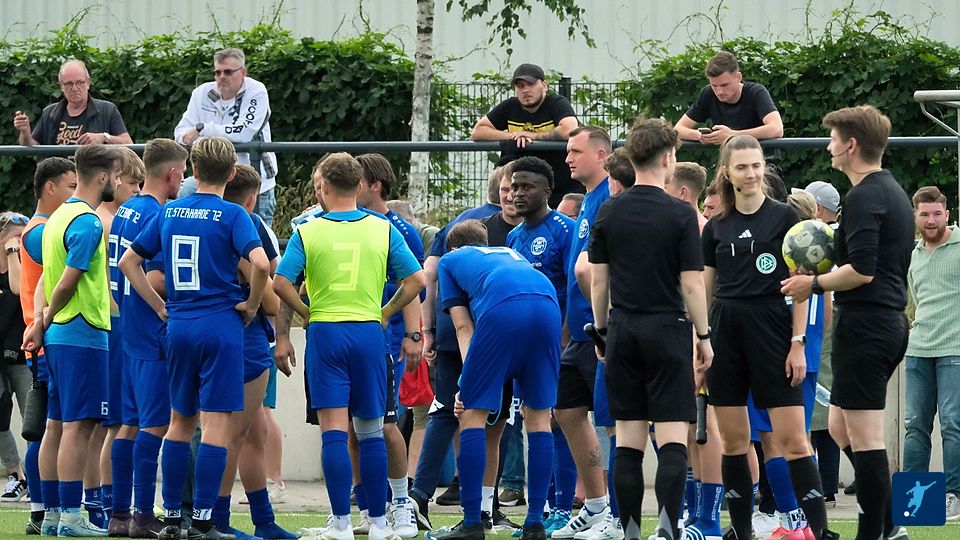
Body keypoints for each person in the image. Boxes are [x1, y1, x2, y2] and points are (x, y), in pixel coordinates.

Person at [119, 136, 271, 540]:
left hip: (179, 326)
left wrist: (159, 306)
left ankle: (171, 518)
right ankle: (202, 522)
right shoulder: (233, 214)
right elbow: (259, 265)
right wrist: (252, 304)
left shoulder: (169, 211)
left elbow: (129, 262)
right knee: (216, 427)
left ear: (195, 171)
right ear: (232, 173)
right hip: (220, 326)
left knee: (178, 424)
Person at [272, 152, 424, 540]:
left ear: (322, 186)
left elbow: (281, 282)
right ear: (358, 186)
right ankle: (378, 523)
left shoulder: (308, 230)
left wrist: (306, 313)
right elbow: (416, 281)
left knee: (334, 433)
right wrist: (385, 312)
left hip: (327, 333)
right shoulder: (383, 228)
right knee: (372, 431)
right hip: (368, 332)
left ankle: (340, 523)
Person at [781, 105, 914, 540]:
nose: (828, 146)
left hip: (870, 326)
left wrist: (812, 284)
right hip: (876, 324)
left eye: (834, 139)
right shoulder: (888, 189)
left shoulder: (864, 197)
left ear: (851, 145)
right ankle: (891, 524)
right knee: (839, 426)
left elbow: (862, 271)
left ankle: (874, 532)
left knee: (867, 437)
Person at [588, 116, 713, 540]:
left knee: (628, 440)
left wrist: (602, 331)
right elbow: (692, 283)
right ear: (668, 158)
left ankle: (629, 531)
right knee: (673, 437)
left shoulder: (609, 209)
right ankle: (667, 528)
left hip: (623, 329)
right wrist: (704, 336)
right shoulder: (681, 213)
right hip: (669, 329)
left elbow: (598, 280)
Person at [703, 135, 828, 540]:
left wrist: (798, 343)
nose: (751, 174)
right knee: (735, 442)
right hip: (725, 333)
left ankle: (819, 531)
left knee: (794, 441)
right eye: (742, 167)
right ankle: (742, 531)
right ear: (727, 172)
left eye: (756, 165)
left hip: (772, 331)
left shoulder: (785, 218)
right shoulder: (715, 227)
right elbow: (705, 293)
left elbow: (800, 287)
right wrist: (700, 343)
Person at [435, 219, 561, 540]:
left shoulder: (449, 260)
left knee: (472, 414)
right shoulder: (507, 252)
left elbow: (463, 327)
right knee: (539, 418)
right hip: (548, 305)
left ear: (454, 247)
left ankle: (472, 523)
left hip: (504, 308)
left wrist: (466, 383)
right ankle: (535, 523)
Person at [22, 144, 122, 537]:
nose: (117, 182)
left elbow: (45, 282)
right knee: (79, 428)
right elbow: (66, 282)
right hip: (83, 332)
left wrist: (41, 322)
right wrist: (44, 319)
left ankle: (51, 516)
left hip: (60, 334)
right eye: (116, 175)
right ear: (103, 176)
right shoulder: (88, 221)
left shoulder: (57, 218)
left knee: (57, 425)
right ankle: (70, 516)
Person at [108, 138, 187, 537]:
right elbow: (152, 276)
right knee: (154, 426)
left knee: (130, 424)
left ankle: (119, 513)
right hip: (150, 333)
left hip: (127, 328)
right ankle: (142, 514)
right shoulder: (157, 214)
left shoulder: (125, 209)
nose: (184, 180)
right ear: (171, 174)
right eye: (182, 173)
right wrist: (164, 303)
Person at [548, 126, 617, 540]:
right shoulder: (587, 200)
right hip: (577, 333)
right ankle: (595, 505)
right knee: (567, 411)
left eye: (576, 151)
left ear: (602, 155)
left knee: (616, 422)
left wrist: (605, 325)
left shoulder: (611, 196)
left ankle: (622, 515)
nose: (568, 158)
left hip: (601, 334)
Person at [352, 153, 424, 538]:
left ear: (374, 185)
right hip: (353, 335)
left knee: (385, 423)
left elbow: (411, 285)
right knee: (352, 424)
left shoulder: (400, 230)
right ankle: (367, 506)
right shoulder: (345, 222)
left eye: (357, 180)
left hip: (387, 338)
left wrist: (413, 335)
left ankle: (401, 504)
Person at [17, 157, 77, 535]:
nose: (76, 194)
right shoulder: (40, 231)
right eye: (71, 187)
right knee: (46, 429)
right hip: (44, 341)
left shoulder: (44, 228)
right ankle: (44, 510)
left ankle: (43, 511)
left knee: (48, 428)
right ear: (50, 187)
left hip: (45, 338)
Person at [902, 186, 960, 521]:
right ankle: (916, 504)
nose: (931, 220)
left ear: (947, 214)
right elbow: (912, 305)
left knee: (953, 424)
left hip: (955, 349)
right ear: (915, 217)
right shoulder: (912, 254)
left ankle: (953, 495)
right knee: (915, 426)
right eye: (924, 214)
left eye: (937, 213)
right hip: (918, 349)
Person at [173, 48, 278, 226]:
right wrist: (196, 136)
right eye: (217, 72)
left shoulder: (256, 91)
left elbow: (243, 133)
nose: (221, 77)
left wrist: (202, 129)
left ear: (243, 72)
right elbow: (181, 134)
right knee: (182, 201)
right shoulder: (201, 93)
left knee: (255, 236)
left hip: (250, 182)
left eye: (228, 72)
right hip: (210, 181)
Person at [99, 146, 144, 534]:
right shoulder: (104, 220)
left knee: (116, 423)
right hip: (114, 322)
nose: (135, 190)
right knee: (116, 424)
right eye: (132, 182)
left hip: (114, 322)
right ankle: (108, 502)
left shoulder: (115, 218)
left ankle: (109, 502)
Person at [471, 63, 580, 208]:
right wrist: (513, 136)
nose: (526, 90)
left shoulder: (556, 103)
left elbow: (570, 129)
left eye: (531, 84)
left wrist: (532, 136)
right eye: (520, 86)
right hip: (520, 189)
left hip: (559, 187)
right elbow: (477, 132)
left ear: (544, 85)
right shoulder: (510, 106)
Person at [674, 51, 783, 153]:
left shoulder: (756, 92)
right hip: (730, 162)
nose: (719, 91)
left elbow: (777, 129)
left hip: (764, 161)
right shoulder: (708, 93)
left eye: (724, 85)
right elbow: (678, 129)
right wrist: (700, 136)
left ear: (738, 77)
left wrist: (733, 135)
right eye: (714, 85)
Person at [13, 60, 133, 147]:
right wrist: (25, 132)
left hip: (92, 174)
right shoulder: (49, 113)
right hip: (57, 174)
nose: (75, 88)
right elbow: (31, 146)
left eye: (80, 82)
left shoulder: (107, 110)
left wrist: (104, 137)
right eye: (69, 84)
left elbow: (128, 144)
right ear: (61, 86)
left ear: (88, 83)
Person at [0, 212, 30, 503]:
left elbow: (19, 289)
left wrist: (13, 254)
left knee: (32, 418)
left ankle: (38, 476)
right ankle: (16, 475)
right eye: (17, 237)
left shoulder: (23, 263)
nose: (23, 242)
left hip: (22, 351)